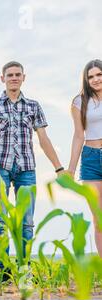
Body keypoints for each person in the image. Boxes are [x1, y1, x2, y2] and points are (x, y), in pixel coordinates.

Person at [0, 61, 65, 278]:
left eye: (17, 74)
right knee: (0, 219)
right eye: (9, 74)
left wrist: (59, 168)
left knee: (26, 221)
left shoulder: (33, 106)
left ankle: (24, 268)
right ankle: (4, 271)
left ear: (23, 78)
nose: (13, 77)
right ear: (2, 78)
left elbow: (44, 139)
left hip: (26, 168)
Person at [67, 59, 102, 258]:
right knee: (99, 219)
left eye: (99, 74)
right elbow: (78, 135)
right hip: (90, 159)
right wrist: (71, 169)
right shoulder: (79, 102)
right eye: (91, 76)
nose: (96, 79)